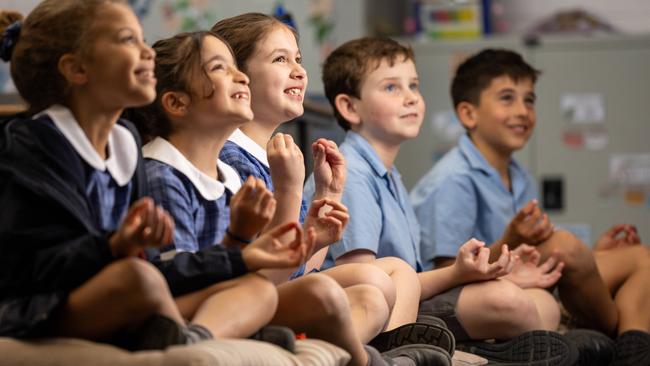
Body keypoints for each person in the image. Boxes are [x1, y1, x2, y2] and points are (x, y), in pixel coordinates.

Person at [126, 29, 447, 366]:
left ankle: (370, 354)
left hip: (244, 291)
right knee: (334, 288)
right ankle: (367, 358)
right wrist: (290, 193)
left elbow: (275, 265)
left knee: (376, 286)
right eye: (223, 68)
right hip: (205, 303)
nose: (241, 79)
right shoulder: (170, 172)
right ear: (177, 102)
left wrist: (317, 220)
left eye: (298, 58)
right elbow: (204, 273)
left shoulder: (227, 174)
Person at [304, 37, 577, 365]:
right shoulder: (351, 174)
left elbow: (413, 275)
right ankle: (466, 347)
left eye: (414, 86)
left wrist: (493, 272)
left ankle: (476, 346)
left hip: (410, 298)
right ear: (350, 107)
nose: (411, 98)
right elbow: (369, 284)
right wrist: (459, 274)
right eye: (392, 88)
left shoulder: (389, 175)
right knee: (509, 300)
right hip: (378, 309)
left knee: (542, 302)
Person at [410, 48, 650, 365]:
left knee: (640, 258)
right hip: (485, 288)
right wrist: (511, 240)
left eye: (529, 100)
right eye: (507, 98)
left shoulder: (518, 175)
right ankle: (627, 342)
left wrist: (590, 258)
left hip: (531, 274)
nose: (523, 110)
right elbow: (445, 274)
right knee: (564, 246)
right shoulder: (452, 180)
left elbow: (537, 248)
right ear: (469, 114)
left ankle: (634, 344)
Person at [0, 0, 213, 350]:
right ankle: (194, 338)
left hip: (124, 292)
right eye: (129, 39)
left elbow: (154, 261)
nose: (149, 53)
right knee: (136, 279)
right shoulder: (31, 147)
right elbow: (25, 270)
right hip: (42, 308)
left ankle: (193, 334)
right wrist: (113, 247)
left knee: (256, 286)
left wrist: (239, 251)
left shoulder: (126, 141)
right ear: (77, 68)